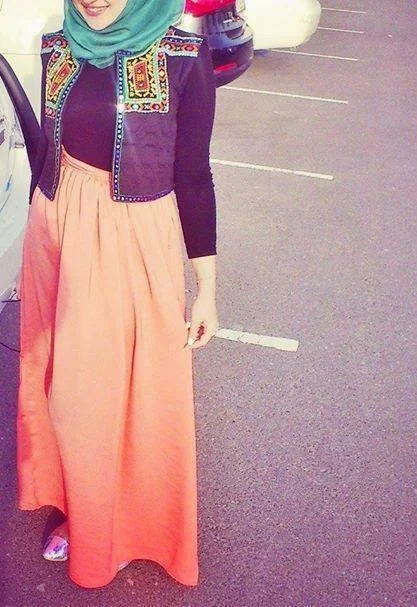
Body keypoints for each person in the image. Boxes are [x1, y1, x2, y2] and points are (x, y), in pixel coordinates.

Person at [16, 0, 218, 589]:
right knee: (58, 387)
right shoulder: (58, 44)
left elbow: (194, 175)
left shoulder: (184, 56)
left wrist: (206, 288)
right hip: (56, 225)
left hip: (131, 236)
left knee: (110, 395)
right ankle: (79, 505)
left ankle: (123, 528)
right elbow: (48, 145)